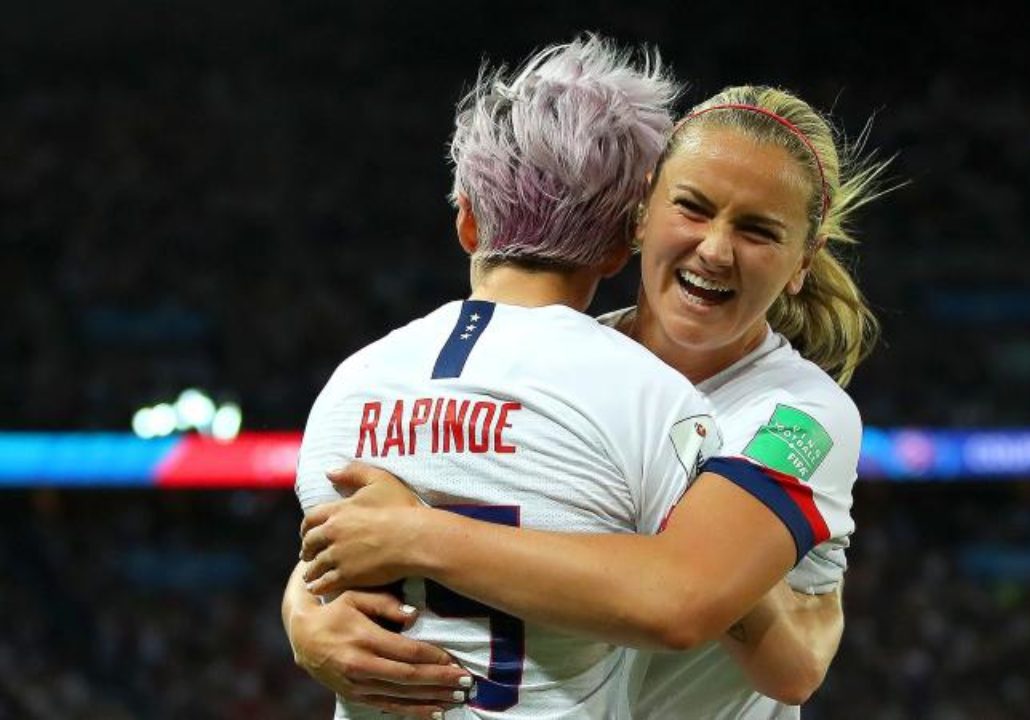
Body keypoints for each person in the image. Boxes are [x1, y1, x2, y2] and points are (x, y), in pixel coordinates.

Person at [290, 83, 888, 719]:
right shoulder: (567, 365)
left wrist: (419, 535)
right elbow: (392, 508)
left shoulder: (802, 415)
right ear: (641, 214)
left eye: (758, 231)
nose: (715, 249)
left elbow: (721, 622)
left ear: (802, 263)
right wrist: (304, 616)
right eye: (693, 208)